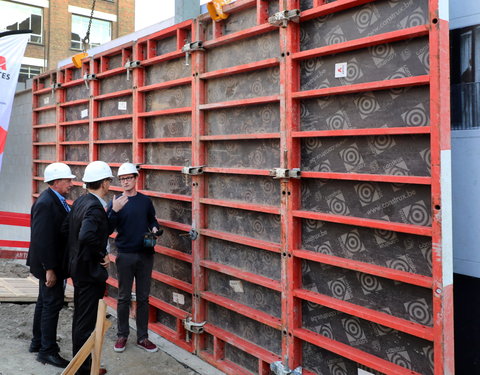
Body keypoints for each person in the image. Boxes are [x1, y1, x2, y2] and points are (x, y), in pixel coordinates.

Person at [63, 161, 113, 375]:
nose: (110, 184)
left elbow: (68, 229)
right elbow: (86, 235)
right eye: (109, 180)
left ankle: (83, 364)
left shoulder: (81, 201)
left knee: (81, 320)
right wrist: (102, 255)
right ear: (104, 183)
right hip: (89, 272)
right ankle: (83, 370)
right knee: (86, 322)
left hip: (79, 268)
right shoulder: (94, 206)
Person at [107, 162, 160, 353]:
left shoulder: (145, 201)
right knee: (123, 297)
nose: (125, 182)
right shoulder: (117, 202)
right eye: (122, 179)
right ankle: (122, 335)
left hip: (145, 254)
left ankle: (143, 337)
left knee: (144, 298)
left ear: (136, 179)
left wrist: (154, 227)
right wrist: (114, 210)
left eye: (128, 178)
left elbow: (151, 219)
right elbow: (109, 227)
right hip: (125, 254)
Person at [26, 162, 75, 368]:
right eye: (67, 180)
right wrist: (50, 269)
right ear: (55, 182)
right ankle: (47, 351)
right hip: (49, 264)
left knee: (43, 302)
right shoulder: (47, 203)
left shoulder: (54, 199)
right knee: (51, 305)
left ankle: (38, 342)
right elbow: (42, 238)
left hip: (49, 263)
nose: (71, 183)